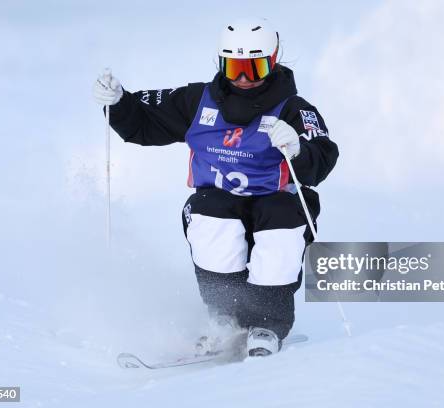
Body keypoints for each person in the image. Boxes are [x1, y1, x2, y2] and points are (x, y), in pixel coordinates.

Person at [93, 17, 338, 357]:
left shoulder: (294, 110)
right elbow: (146, 124)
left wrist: (299, 149)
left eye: (254, 69)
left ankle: (266, 323)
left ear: (274, 61)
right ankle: (225, 319)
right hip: (221, 204)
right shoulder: (199, 102)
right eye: (234, 67)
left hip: (277, 205)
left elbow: (324, 153)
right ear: (221, 64)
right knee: (211, 213)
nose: (242, 79)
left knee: (279, 221)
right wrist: (119, 103)